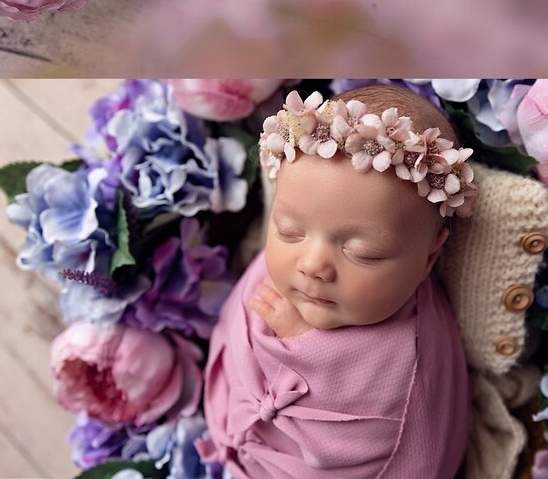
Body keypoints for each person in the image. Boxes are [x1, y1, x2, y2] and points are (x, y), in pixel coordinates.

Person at [199, 84, 476, 479]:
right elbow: (233, 330)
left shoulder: (409, 357)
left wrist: (300, 344)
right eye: (290, 230)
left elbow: (404, 433)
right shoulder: (280, 267)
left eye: (362, 253)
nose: (312, 265)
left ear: (429, 256)